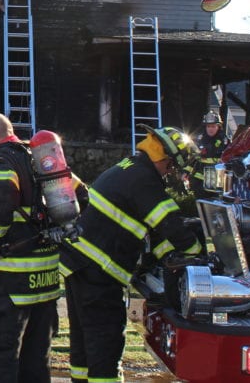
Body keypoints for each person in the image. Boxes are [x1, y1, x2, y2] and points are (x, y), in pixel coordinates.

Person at [61, 125, 204, 383]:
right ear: (166, 159)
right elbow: (168, 224)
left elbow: (152, 232)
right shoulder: (145, 181)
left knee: (85, 344)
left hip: (79, 267)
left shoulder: (128, 167)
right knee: (106, 345)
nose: (170, 174)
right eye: (171, 167)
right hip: (98, 273)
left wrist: (168, 257)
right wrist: (197, 253)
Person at [0, 113, 61, 382]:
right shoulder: (39, 158)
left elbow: (3, 196)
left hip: (10, 284)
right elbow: (80, 196)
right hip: (45, 281)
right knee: (36, 361)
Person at [189, 110, 229, 200]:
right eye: (208, 126)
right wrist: (186, 172)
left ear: (218, 127)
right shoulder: (200, 139)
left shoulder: (224, 141)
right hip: (199, 179)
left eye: (213, 126)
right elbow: (193, 158)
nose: (210, 129)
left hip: (215, 179)